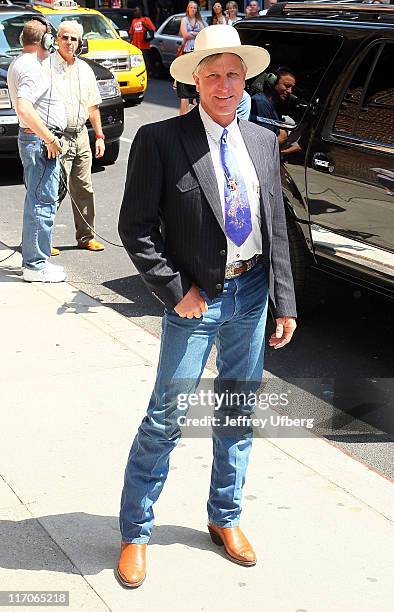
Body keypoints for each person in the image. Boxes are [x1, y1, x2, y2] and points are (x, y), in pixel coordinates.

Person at [117, 24, 297, 588]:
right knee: (167, 416)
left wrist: (284, 302)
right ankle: (135, 531)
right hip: (197, 301)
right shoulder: (162, 141)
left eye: (234, 74)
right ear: (194, 79)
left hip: (252, 295)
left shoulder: (263, 141)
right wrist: (178, 291)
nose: (224, 84)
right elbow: (137, 229)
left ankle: (225, 517)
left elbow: (275, 231)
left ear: (247, 80)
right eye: (213, 74)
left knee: (236, 412)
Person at [7, 17, 67, 283]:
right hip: (40, 142)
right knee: (42, 202)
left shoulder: (24, 63)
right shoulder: (31, 66)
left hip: (36, 140)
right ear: (46, 40)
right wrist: (51, 139)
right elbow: (24, 107)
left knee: (37, 200)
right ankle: (35, 264)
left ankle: (35, 258)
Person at [49, 21, 105, 253]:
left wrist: (99, 135)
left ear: (80, 42)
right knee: (52, 191)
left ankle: (86, 237)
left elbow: (92, 106)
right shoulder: (47, 66)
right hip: (56, 137)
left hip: (81, 135)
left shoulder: (84, 69)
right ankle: (42, 240)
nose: (69, 42)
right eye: (65, 37)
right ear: (56, 39)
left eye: (74, 39)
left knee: (84, 188)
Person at [250, 68, 296, 145]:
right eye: (287, 86)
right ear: (272, 82)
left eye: (292, 88)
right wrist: (282, 135)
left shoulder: (274, 105)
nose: (290, 91)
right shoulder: (261, 102)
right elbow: (266, 140)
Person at [176, 1, 205, 115]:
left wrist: (192, 33)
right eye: (191, 7)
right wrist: (195, 33)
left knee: (196, 85)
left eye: (195, 8)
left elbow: (203, 33)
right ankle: (183, 115)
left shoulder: (199, 21)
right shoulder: (184, 20)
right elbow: (185, 35)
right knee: (185, 87)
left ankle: (195, 112)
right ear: (187, 9)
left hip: (197, 53)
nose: (193, 9)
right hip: (187, 52)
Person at [129, 6, 156, 75]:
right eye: (134, 11)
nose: (135, 13)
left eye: (136, 11)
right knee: (136, 61)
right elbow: (131, 32)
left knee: (146, 60)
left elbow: (153, 29)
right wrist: (130, 43)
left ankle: (147, 74)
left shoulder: (146, 19)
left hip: (144, 45)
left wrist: (145, 26)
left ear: (140, 12)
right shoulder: (133, 21)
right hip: (136, 45)